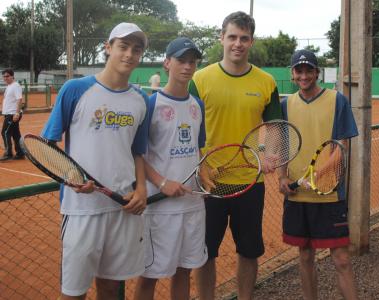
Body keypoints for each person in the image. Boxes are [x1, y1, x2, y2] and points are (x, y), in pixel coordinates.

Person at [41, 22, 149, 299]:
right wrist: (72, 178)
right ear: (108, 47)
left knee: (111, 287)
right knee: (73, 291)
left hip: (122, 207)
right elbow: (47, 146)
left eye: (136, 50)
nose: (129, 55)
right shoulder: (75, 89)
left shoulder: (141, 100)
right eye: (123, 47)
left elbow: (138, 151)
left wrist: (141, 190)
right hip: (81, 209)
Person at [189, 11, 282, 300]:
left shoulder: (266, 82)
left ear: (251, 41)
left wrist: (269, 153)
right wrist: (198, 168)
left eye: (244, 38)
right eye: (232, 37)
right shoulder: (200, 79)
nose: (237, 44)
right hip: (209, 183)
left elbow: (276, 127)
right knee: (204, 253)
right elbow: (188, 128)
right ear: (222, 38)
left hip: (250, 183)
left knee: (249, 251)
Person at [278, 49, 359, 300]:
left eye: (309, 70)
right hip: (297, 196)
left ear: (317, 72)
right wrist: (282, 177)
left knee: (342, 259)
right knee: (304, 256)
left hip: (329, 194)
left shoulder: (337, 100)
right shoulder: (285, 105)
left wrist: (315, 175)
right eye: (299, 71)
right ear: (292, 74)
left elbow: (341, 147)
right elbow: (282, 146)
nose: (304, 75)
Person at [134, 37, 207, 300]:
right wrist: (163, 182)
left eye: (192, 61)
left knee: (184, 271)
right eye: (181, 60)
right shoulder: (150, 104)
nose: (187, 66)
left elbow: (198, 150)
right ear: (167, 63)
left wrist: (206, 174)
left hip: (193, 206)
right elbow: (137, 154)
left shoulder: (197, 106)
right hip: (160, 209)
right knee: (149, 274)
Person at [1, 68, 24, 161]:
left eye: (7, 76)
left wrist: (17, 113)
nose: (5, 78)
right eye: (4, 76)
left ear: (12, 76)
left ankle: (8, 153)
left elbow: (19, 99)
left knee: (5, 132)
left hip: (13, 114)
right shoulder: (9, 86)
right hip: (9, 114)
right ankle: (20, 153)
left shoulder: (15, 86)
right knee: (15, 134)